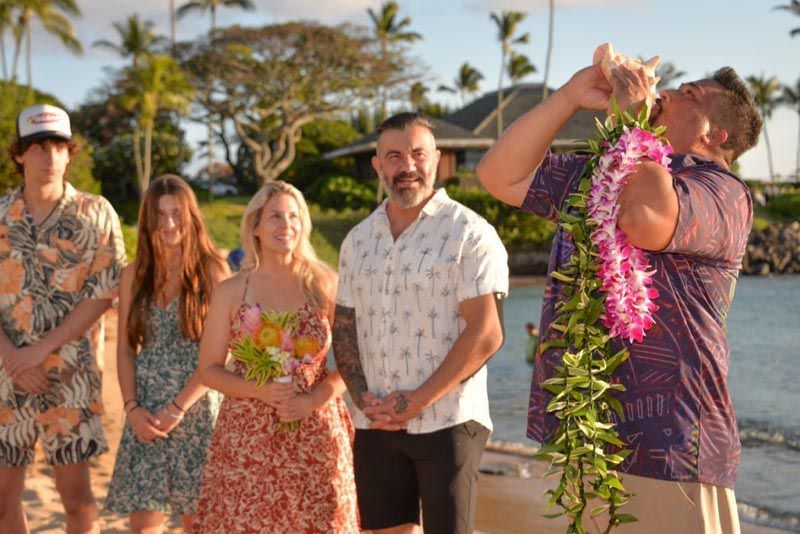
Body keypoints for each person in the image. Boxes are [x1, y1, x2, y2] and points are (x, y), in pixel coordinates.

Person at [477, 60, 762, 533]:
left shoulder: (723, 192)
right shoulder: (614, 173)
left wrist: (630, 120)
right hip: (592, 430)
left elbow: (645, 218)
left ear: (715, 135)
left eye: (688, 93)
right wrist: (570, 95)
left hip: (669, 443)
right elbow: (499, 175)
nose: (666, 92)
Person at [333, 112, 509, 534]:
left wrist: (417, 400)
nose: (407, 165)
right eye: (394, 155)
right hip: (374, 419)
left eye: (417, 153)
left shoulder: (469, 232)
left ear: (437, 159)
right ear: (377, 165)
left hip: (448, 419)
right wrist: (363, 398)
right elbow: (342, 328)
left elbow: (486, 333)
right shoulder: (358, 240)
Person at [195, 181, 358, 532]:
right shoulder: (231, 291)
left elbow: (351, 362)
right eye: (274, 217)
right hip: (247, 438)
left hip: (317, 432)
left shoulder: (326, 284)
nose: (287, 225)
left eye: (294, 216)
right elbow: (208, 370)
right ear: (255, 226)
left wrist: (311, 399)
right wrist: (260, 390)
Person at [0, 104, 126, 532]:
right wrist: (13, 357)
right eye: (37, 146)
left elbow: (105, 292)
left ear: (70, 152)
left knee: (76, 500)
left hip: (72, 378)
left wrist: (38, 351)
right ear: (19, 154)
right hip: (5, 376)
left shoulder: (97, 213)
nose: (48, 156)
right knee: (3, 501)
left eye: (57, 145)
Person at [105, 175, 229, 533]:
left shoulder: (213, 271)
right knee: (143, 524)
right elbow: (126, 349)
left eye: (177, 213)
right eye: (160, 215)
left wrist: (179, 407)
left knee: (198, 523)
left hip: (198, 406)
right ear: (148, 220)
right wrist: (132, 409)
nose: (169, 223)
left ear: (191, 216)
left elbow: (227, 350)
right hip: (145, 410)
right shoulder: (135, 275)